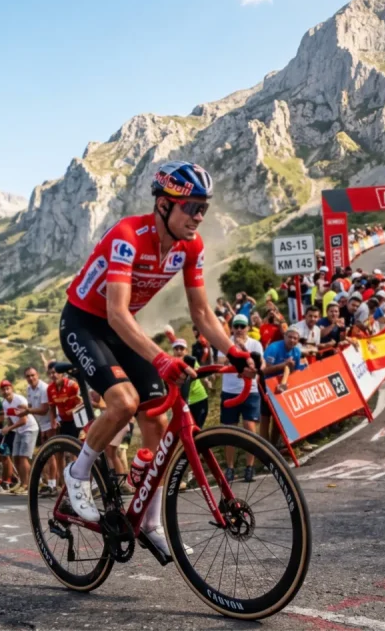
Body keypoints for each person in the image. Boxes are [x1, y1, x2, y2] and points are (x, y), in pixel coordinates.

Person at [58, 160, 256, 557]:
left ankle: (149, 519)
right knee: (124, 402)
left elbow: (201, 314)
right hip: (84, 322)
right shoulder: (128, 236)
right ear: (164, 205)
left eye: (204, 207)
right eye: (191, 207)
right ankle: (77, 473)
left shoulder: (191, 247)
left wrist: (234, 352)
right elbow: (115, 311)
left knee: (158, 419)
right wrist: (161, 359)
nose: (199, 216)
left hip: (120, 327)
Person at [218, 315, 264, 483]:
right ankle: (229, 468)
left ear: (248, 328)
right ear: (232, 328)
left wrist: (245, 351)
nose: (239, 329)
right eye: (236, 326)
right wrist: (235, 352)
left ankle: (249, 467)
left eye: (242, 326)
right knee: (229, 431)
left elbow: (261, 364)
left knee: (249, 428)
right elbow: (220, 362)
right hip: (229, 391)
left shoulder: (255, 344)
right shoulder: (225, 342)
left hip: (250, 391)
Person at [0, 380, 36, 495]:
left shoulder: (19, 400)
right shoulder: (5, 403)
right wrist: (7, 427)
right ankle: (22, 482)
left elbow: (24, 420)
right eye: (3, 390)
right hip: (19, 430)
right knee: (15, 457)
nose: (6, 391)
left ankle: (27, 484)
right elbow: (10, 419)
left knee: (23, 457)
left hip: (29, 428)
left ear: (12, 388)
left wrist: (9, 429)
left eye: (7, 389)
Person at [172, 339, 210, 428]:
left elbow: (198, 372)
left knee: (197, 428)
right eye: (176, 349)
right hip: (182, 402)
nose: (179, 351)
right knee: (185, 428)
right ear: (173, 351)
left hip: (199, 399)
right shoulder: (171, 364)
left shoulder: (192, 362)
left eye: (181, 349)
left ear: (186, 351)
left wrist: (207, 381)